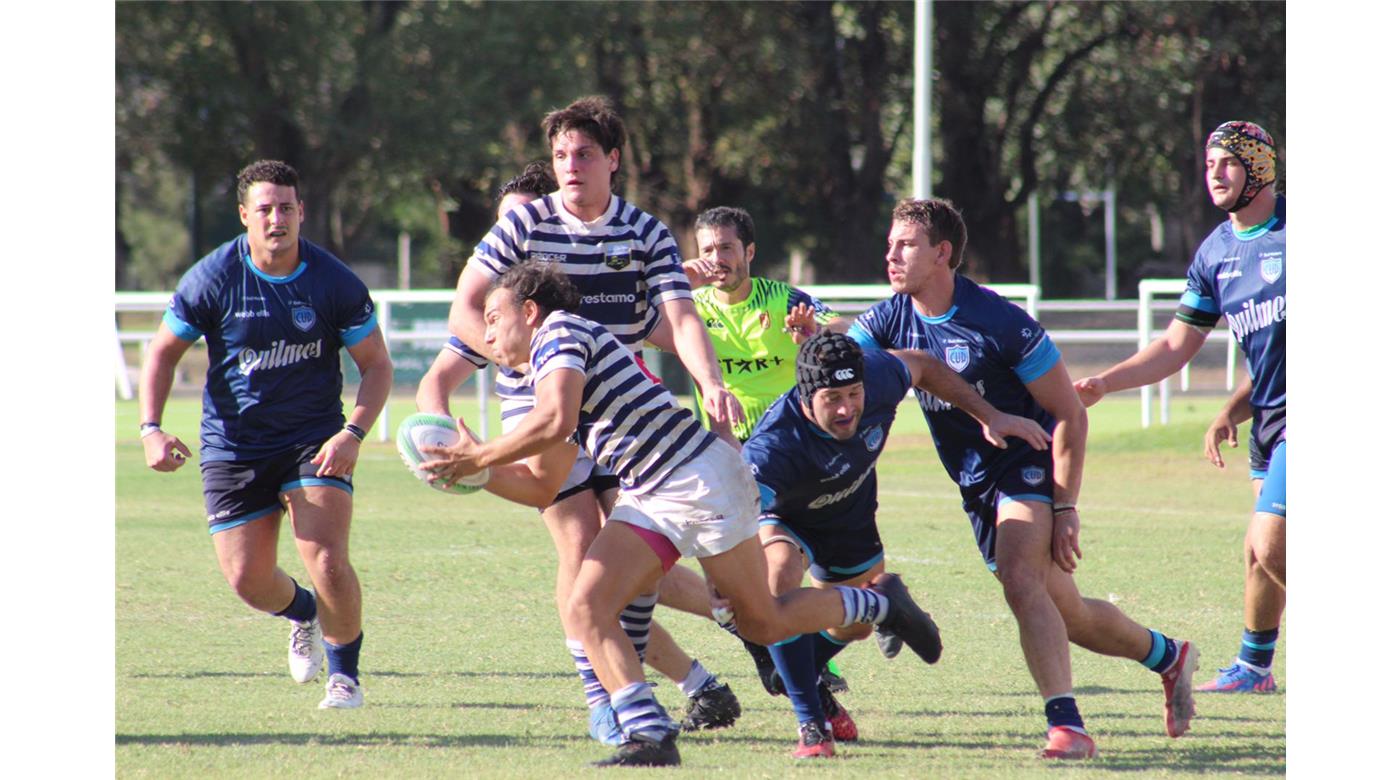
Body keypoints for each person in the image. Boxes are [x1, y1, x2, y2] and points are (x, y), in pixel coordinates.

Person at [420, 262, 947, 767]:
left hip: (698, 477)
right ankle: (649, 735)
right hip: (653, 492)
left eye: (492, 319)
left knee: (762, 621)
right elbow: (543, 487)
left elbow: (555, 422)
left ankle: (879, 603)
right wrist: (475, 476)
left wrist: (481, 455)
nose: (486, 337)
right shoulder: (548, 364)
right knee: (587, 606)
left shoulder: (559, 331)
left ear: (529, 311)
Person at [849, 197, 1201, 760]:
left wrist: (1065, 507)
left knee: (1020, 578)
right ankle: (1167, 656)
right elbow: (852, 366)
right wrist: (812, 342)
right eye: (890, 243)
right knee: (1071, 612)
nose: (890, 254)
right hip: (974, 484)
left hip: (1026, 464)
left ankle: (1068, 727)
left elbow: (1071, 414)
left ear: (941, 254)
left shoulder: (1001, 322)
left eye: (905, 245)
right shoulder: (891, 314)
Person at [442, 98, 747, 743]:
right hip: (546, 404)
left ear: (613, 160)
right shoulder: (523, 225)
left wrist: (710, 379)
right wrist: (522, 368)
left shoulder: (646, 232)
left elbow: (681, 315)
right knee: (581, 550)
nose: (570, 167)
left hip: (620, 414)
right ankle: (610, 701)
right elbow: (464, 307)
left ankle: (688, 669)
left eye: (583, 154)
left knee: (633, 562)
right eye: (560, 156)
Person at [138, 160, 392, 709]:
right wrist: (151, 428)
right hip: (234, 445)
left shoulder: (333, 282)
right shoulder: (213, 277)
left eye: (286, 208)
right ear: (244, 217)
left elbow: (377, 364)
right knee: (247, 581)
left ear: (301, 212)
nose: (276, 219)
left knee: (325, 558)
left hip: (313, 439)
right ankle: (304, 614)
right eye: (265, 209)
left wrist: (353, 433)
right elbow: (161, 352)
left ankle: (344, 677)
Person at [744, 331, 1051, 757]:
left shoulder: (881, 376)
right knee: (778, 574)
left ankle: (818, 656)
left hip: (850, 518)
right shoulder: (773, 447)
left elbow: (923, 365)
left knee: (852, 628)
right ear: (805, 396)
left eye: (854, 393)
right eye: (832, 398)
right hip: (788, 517)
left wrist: (988, 414)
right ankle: (812, 725)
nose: (847, 408)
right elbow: (738, 514)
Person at [1076, 121, 1284, 695]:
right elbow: (1174, 346)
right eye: (1209, 164)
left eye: (1227, 163)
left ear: (1260, 168)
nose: (1213, 174)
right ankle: (1254, 668)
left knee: (1272, 540)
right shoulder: (1215, 252)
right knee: (1258, 550)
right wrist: (1104, 383)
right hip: (1269, 418)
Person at [684, 205, 853, 697]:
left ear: (749, 252)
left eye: (727, 248)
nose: (718, 259)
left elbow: (843, 327)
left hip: (789, 458)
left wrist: (816, 335)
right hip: (723, 460)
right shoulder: (688, 308)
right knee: (730, 581)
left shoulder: (782, 300)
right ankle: (784, 657)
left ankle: (803, 656)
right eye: (708, 250)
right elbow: (637, 313)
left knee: (781, 573)